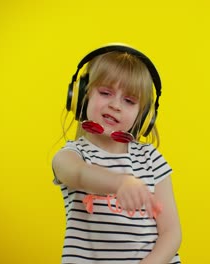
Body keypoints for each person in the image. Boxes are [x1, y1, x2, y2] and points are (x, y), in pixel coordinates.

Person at [52, 44, 182, 264]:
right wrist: (120, 182)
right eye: (105, 92)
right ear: (82, 95)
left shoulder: (151, 159)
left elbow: (171, 232)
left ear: (144, 116)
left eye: (129, 101)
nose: (115, 105)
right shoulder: (72, 155)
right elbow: (79, 174)